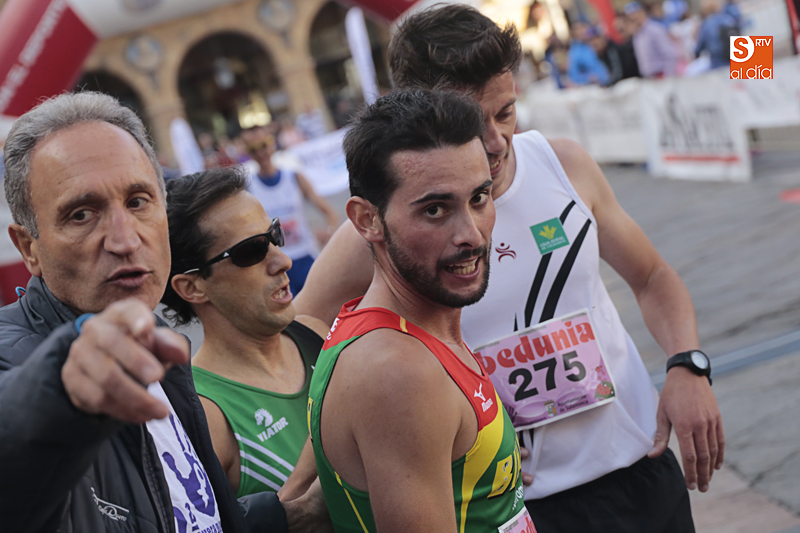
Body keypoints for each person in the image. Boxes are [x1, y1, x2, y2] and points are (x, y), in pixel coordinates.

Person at [295, 5, 724, 532]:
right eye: (475, 122)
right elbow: (306, 340)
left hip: (639, 468)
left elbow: (653, 277)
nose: (496, 140)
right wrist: (342, 460)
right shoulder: (385, 229)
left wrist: (686, 363)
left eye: (506, 112)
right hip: (522, 506)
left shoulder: (561, 164)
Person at [0, 91, 327, 532]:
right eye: (81, 214)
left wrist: (285, 517)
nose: (124, 239)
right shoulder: (17, 362)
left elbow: (182, 515)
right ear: (29, 248)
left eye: (138, 202)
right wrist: (63, 389)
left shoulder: (159, 349)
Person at [307, 88, 533, 533]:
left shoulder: (406, 328)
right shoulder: (399, 372)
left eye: (479, 199)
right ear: (367, 220)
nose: (471, 234)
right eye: (435, 209)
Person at [160, 166, 328, 497]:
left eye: (274, 236)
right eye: (251, 251)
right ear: (192, 287)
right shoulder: (206, 417)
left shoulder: (315, 335)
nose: (282, 260)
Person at [242, 126, 339, 295]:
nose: (261, 153)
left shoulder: (294, 176)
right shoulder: (249, 188)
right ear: (248, 153)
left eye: (264, 145)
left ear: (272, 144)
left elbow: (328, 211)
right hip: (276, 265)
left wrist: (329, 231)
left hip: (306, 257)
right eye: (254, 149)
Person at [625, 1, 679, 77]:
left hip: (661, 75)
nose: (632, 18)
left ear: (641, 12)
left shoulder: (655, 29)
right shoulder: (637, 35)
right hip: (648, 78)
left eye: (634, 15)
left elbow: (669, 54)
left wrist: (668, 76)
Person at [695, 0, 740, 70]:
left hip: (717, 62)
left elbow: (699, 46)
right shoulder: (728, 19)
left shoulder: (706, 24)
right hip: (734, 57)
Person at [567, 22, 610, 86]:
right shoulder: (574, 52)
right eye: (577, 29)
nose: (581, 31)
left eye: (582, 27)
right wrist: (588, 78)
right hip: (593, 85)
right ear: (574, 33)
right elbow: (574, 74)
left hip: (610, 80)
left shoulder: (595, 42)